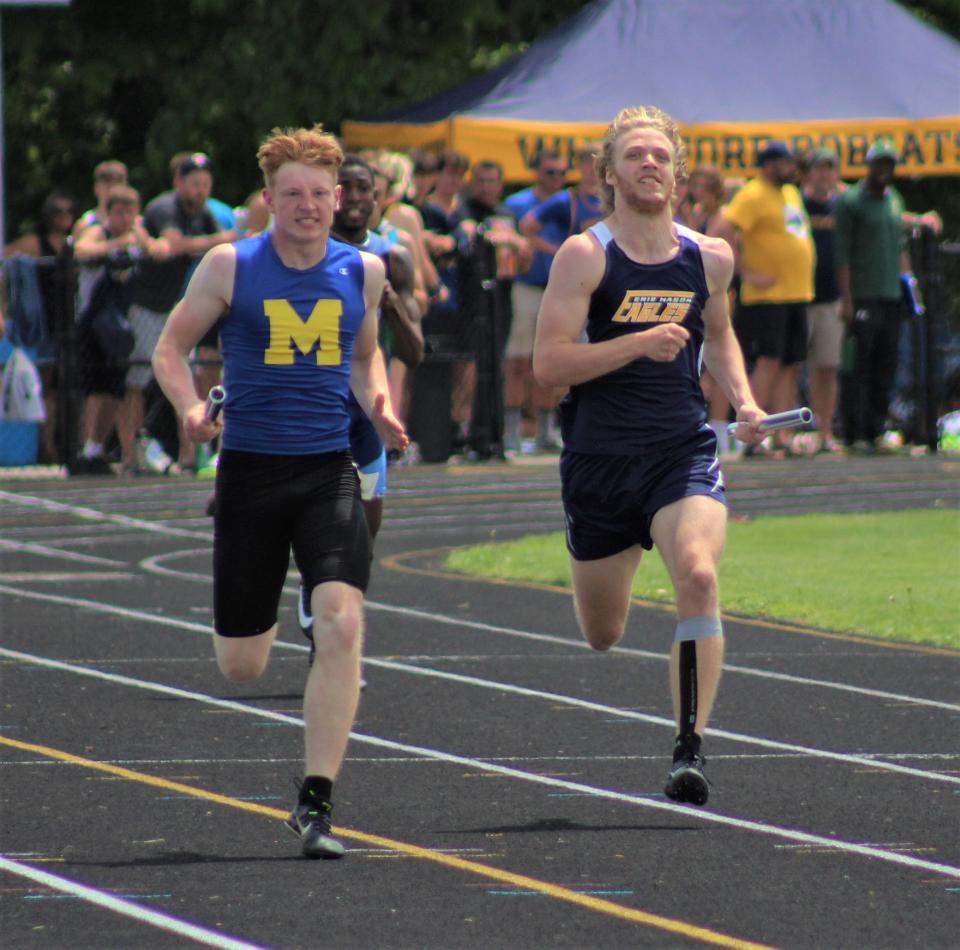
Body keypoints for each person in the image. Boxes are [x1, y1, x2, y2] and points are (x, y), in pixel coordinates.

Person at [151, 125, 408, 859]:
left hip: (329, 468)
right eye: (292, 194)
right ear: (268, 199)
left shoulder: (363, 270)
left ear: (338, 200)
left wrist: (381, 404)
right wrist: (191, 409)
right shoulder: (231, 265)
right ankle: (290, 622)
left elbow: (366, 358)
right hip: (251, 474)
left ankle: (316, 802)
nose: (308, 206)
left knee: (342, 621)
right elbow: (171, 347)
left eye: (320, 194)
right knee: (242, 664)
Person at [532, 105, 765, 805]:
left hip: (679, 452)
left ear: (679, 170)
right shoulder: (586, 255)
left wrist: (745, 401)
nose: (650, 164)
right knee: (603, 634)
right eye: (635, 155)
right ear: (609, 173)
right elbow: (548, 364)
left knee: (697, 575)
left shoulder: (709, 257)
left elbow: (718, 336)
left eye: (661, 155)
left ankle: (688, 751)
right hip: (600, 462)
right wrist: (638, 341)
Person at [123, 152, 236, 473]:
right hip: (147, 305)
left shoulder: (204, 215)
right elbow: (175, 245)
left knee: (182, 379)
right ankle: (129, 455)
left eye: (205, 184)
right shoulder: (164, 207)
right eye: (194, 184)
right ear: (178, 183)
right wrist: (223, 239)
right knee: (137, 379)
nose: (201, 191)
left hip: (177, 307)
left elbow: (220, 247)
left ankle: (189, 455)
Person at [713, 141, 814, 455]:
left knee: (791, 363)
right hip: (767, 296)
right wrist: (745, 272)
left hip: (797, 292)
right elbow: (723, 228)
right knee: (768, 361)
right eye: (784, 162)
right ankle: (755, 435)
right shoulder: (753, 193)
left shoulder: (791, 192)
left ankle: (781, 436)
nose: (790, 168)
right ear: (769, 164)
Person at [72, 185, 168, 474]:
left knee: (115, 389)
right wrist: (119, 242)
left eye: (130, 212)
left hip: (119, 325)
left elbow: (158, 250)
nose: (125, 217)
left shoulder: (136, 236)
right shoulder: (100, 232)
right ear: (108, 212)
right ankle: (86, 447)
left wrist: (139, 236)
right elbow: (80, 249)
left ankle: (99, 447)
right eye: (119, 212)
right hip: (94, 322)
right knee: (95, 388)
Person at [833, 140, 914, 452]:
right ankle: (853, 430)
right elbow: (842, 256)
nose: (884, 170)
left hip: (890, 294)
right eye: (879, 164)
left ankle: (876, 428)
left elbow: (900, 248)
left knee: (886, 362)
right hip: (863, 295)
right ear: (868, 166)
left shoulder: (895, 199)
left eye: (889, 164)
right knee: (859, 363)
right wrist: (848, 299)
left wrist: (909, 289)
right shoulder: (852, 201)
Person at [4, 191, 78, 462]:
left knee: (66, 389)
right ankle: (47, 447)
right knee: (44, 387)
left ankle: (69, 444)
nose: (64, 218)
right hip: (43, 326)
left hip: (70, 324)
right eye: (58, 212)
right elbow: (6, 259)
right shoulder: (35, 243)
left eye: (68, 212)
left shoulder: (76, 242)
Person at [503, 149, 569, 453]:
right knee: (517, 360)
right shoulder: (517, 204)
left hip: (560, 290)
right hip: (526, 287)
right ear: (536, 172)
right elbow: (502, 235)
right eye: (550, 172)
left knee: (551, 363)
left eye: (561, 173)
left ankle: (545, 430)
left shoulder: (569, 202)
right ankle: (511, 431)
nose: (556, 179)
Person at [801, 148, 845, 454]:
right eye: (819, 169)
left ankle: (825, 432)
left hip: (831, 297)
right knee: (788, 366)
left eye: (830, 169)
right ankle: (783, 434)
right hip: (797, 296)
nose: (824, 175)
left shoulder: (842, 206)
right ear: (808, 173)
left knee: (827, 366)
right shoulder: (795, 203)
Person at [72, 161, 129, 238]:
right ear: (96, 188)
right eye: (107, 186)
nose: (112, 190)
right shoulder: (86, 223)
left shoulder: (137, 222)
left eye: (117, 184)